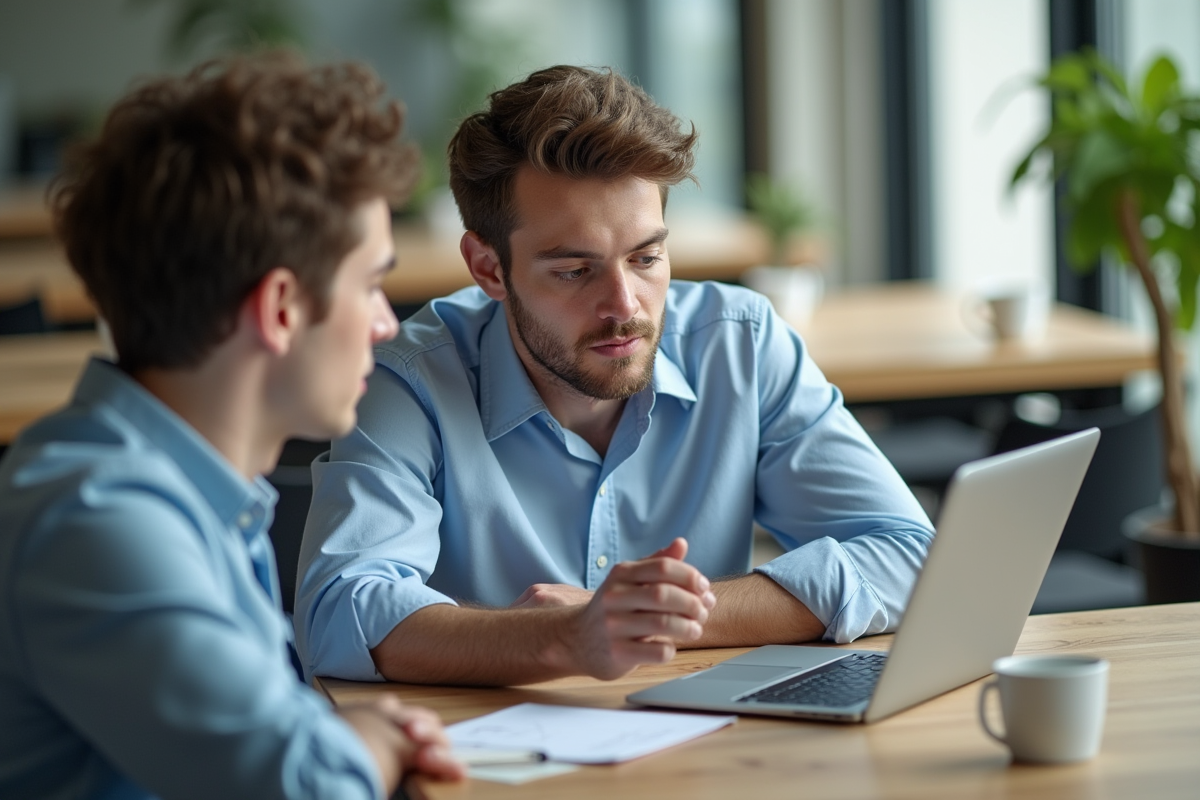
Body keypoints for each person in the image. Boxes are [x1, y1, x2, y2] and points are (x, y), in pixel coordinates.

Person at [295, 65, 936, 687]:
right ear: (488, 267)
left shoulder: (739, 344)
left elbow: (913, 556)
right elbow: (340, 612)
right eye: (574, 271)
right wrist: (564, 639)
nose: (625, 307)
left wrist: (650, 618)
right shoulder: (409, 379)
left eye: (646, 257)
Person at [0, 54, 465, 799]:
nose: (385, 325)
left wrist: (335, 738)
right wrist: (361, 743)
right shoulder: (95, 516)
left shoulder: (198, 492)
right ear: (280, 308)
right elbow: (304, 787)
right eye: (371, 284)